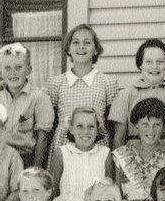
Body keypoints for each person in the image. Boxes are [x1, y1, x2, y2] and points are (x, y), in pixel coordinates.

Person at [45, 23, 120, 164]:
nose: (81, 47)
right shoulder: (56, 83)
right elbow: (51, 124)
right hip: (64, 148)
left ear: (96, 49)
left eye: (87, 43)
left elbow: (112, 126)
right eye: (76, 43)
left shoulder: (108, 82)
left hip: (97, 148)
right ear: (68, 49)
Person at [109, 38, 165, 148]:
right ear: (140, 64)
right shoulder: (125, 95)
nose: (154, 66)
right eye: (148, 61)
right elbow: (118, 138)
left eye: (160, 62)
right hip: (134, 154)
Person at [0, 42, 54, 168]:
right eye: (7, 68)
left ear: (28, 70)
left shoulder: (39, 98)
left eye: (18, 67)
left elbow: (43, 140)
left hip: (26, 159)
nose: (13, 73)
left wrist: (35, 170)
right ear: (0, 72)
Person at [48, 106, 112, 201]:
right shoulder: (61, 153)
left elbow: (109, 190)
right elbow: (52, 189)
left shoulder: (105, 154)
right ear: (71, 128)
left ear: (98, 129)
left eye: (91, 126)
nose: (85, 131)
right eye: (79, 126)